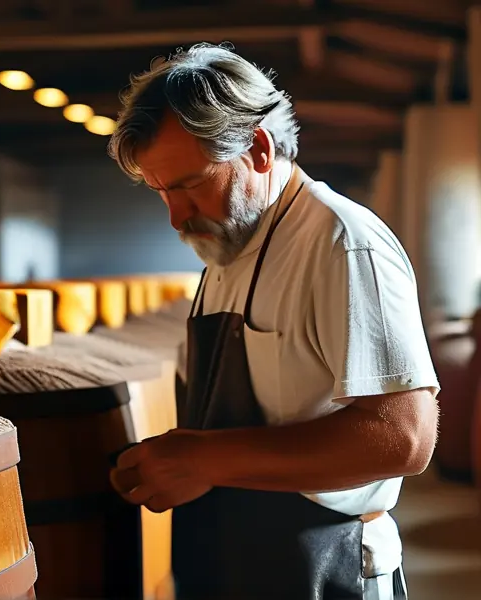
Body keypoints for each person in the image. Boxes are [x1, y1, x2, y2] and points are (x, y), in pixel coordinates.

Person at [107, 43, 439, 600]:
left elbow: (403, 437)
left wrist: (204, 459)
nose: (176, 217)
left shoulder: (341, 244)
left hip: (324, 565)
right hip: (241, 557)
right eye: (161, 192)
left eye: (188, 185)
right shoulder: (227, 247)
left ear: (258, 149)